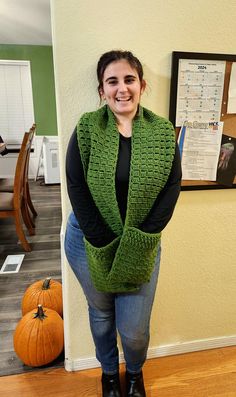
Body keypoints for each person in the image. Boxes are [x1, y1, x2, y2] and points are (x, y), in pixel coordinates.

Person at [65, 50, 182, 397]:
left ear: (142, 85)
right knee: (101, 316)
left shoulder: (161, 131)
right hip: (88, 242)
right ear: (102, 90)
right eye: (112, 81)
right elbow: (75, 184)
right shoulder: (87, 127)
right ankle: (108, 375)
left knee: (134, 329)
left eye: (129, 79)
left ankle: (134, 373)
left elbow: (172, 185)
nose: (121, 89)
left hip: (141, 245)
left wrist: (144, 236)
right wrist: (100, 237)